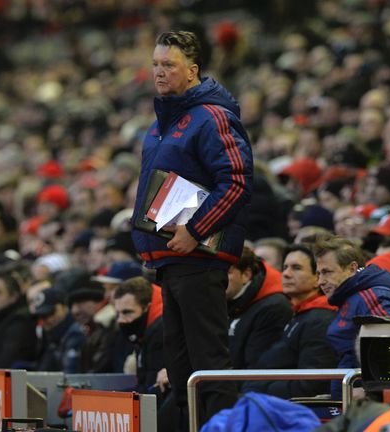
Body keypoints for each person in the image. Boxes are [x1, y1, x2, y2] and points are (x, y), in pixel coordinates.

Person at [130, 30, 253, 428]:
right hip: (170, 261)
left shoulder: (212, 116)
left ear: (193, 70)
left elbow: (236, 181)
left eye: (169, 65)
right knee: (182, 370)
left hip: (198, 259)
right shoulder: (163, 121)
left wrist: (197, 230)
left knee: (209, 366)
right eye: (156, 65)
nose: (159, 72)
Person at [244, 244, 337, 399]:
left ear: (317, 279)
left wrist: (256, 389)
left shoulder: (319, 320)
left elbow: (313, 384)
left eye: (296, 268)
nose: (286, 274)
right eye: (285, 267)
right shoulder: (301, 314)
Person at [314, 238, 390, 396]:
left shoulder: (372, 296)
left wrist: (371, 394)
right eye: (318, 274)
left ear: (352, 268)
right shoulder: (350, 296)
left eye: (327, 272)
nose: (320, 281)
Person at [226, 247, 292, 370]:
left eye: (226, 271)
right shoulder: (219, 301)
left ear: (246, 275)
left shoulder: (274, 308)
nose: (216, 277)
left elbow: (257, 368)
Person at [112, 276, 165, 393]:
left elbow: (153, 388)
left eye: (127, 312)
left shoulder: (161, 330)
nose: (120, 320)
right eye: (118, 313)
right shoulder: (143, 332)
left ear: (146, 307)